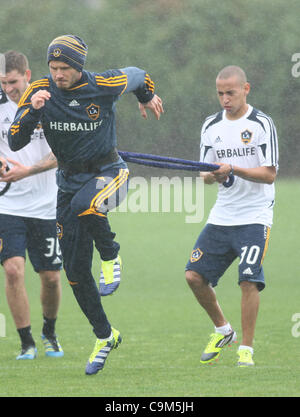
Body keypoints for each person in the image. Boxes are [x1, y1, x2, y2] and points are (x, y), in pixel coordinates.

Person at [8, 35, 164, 375]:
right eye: (54, 67)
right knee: (75, 272)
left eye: (65, 68)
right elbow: (15, 141)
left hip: (110, 173)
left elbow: (139, 74)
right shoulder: (39, 90)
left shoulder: (104, 84)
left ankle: (110, 256)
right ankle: (105, 336)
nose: (58, 74)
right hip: (68, 183)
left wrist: (147, 96)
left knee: (87, 206)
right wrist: (34, 110)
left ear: (79, 67)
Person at [185, 65, 278, 367]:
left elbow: (269, 174)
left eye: (231, 93)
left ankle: (246, 351)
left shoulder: (262, 123)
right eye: (220, 93)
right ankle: (224, 330)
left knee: (248, 280)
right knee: (194, 276)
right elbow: (204, 173)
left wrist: (234, 169)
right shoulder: (211, 125)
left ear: (246, 89)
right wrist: (215, 176)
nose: (224, 99)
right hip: (223, 215)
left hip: (255, 216)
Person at [0, 50, 63, 360]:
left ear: (27, 75)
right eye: (3, 83)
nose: (8, 89)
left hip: (47, 206)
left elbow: (60, 154)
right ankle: (26, 342)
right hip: (7, 205)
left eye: (12, 82)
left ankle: (49, 332)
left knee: (50, 278)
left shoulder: (49, 104)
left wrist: (28, 171)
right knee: (13, 271)